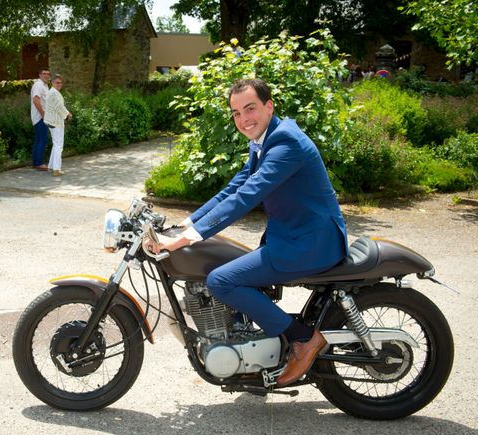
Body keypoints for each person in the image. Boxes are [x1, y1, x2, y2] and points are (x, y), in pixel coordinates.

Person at [147, 78, 348, 387]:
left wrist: (184, 239)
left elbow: (247, 197)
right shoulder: (264, 141)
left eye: (250, 108)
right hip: (294, 237)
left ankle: (304, 339)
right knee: (223, 267)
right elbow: (234, 188)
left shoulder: (285, 143)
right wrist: (187, 224)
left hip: (311, 243)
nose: (243, 119)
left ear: (269, 106)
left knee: (221, 281)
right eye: (236, 113)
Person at [44, 74, 72, 176]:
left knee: (56, 145)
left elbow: (59, 106)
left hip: (54, 121)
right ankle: (56, 169)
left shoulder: (54, 92)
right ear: (52, 83)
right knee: (59, 146)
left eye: (61, 82)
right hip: (55, 122)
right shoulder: (53, 93)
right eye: (57, 82)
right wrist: (68, 114)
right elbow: (59, 107)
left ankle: (51, 166)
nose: (59, 84)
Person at [30, 69, 50, 171]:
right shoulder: (38, 85)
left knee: (39, 139)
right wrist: (43, 114)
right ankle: (39, 163)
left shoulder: (45, 86)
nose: (46, 75)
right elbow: (35, 99)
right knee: (42, 139)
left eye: (48, 74)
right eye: (44, 74)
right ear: (39, 75)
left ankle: (35, 162)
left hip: (42, 117)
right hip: (40, 117)